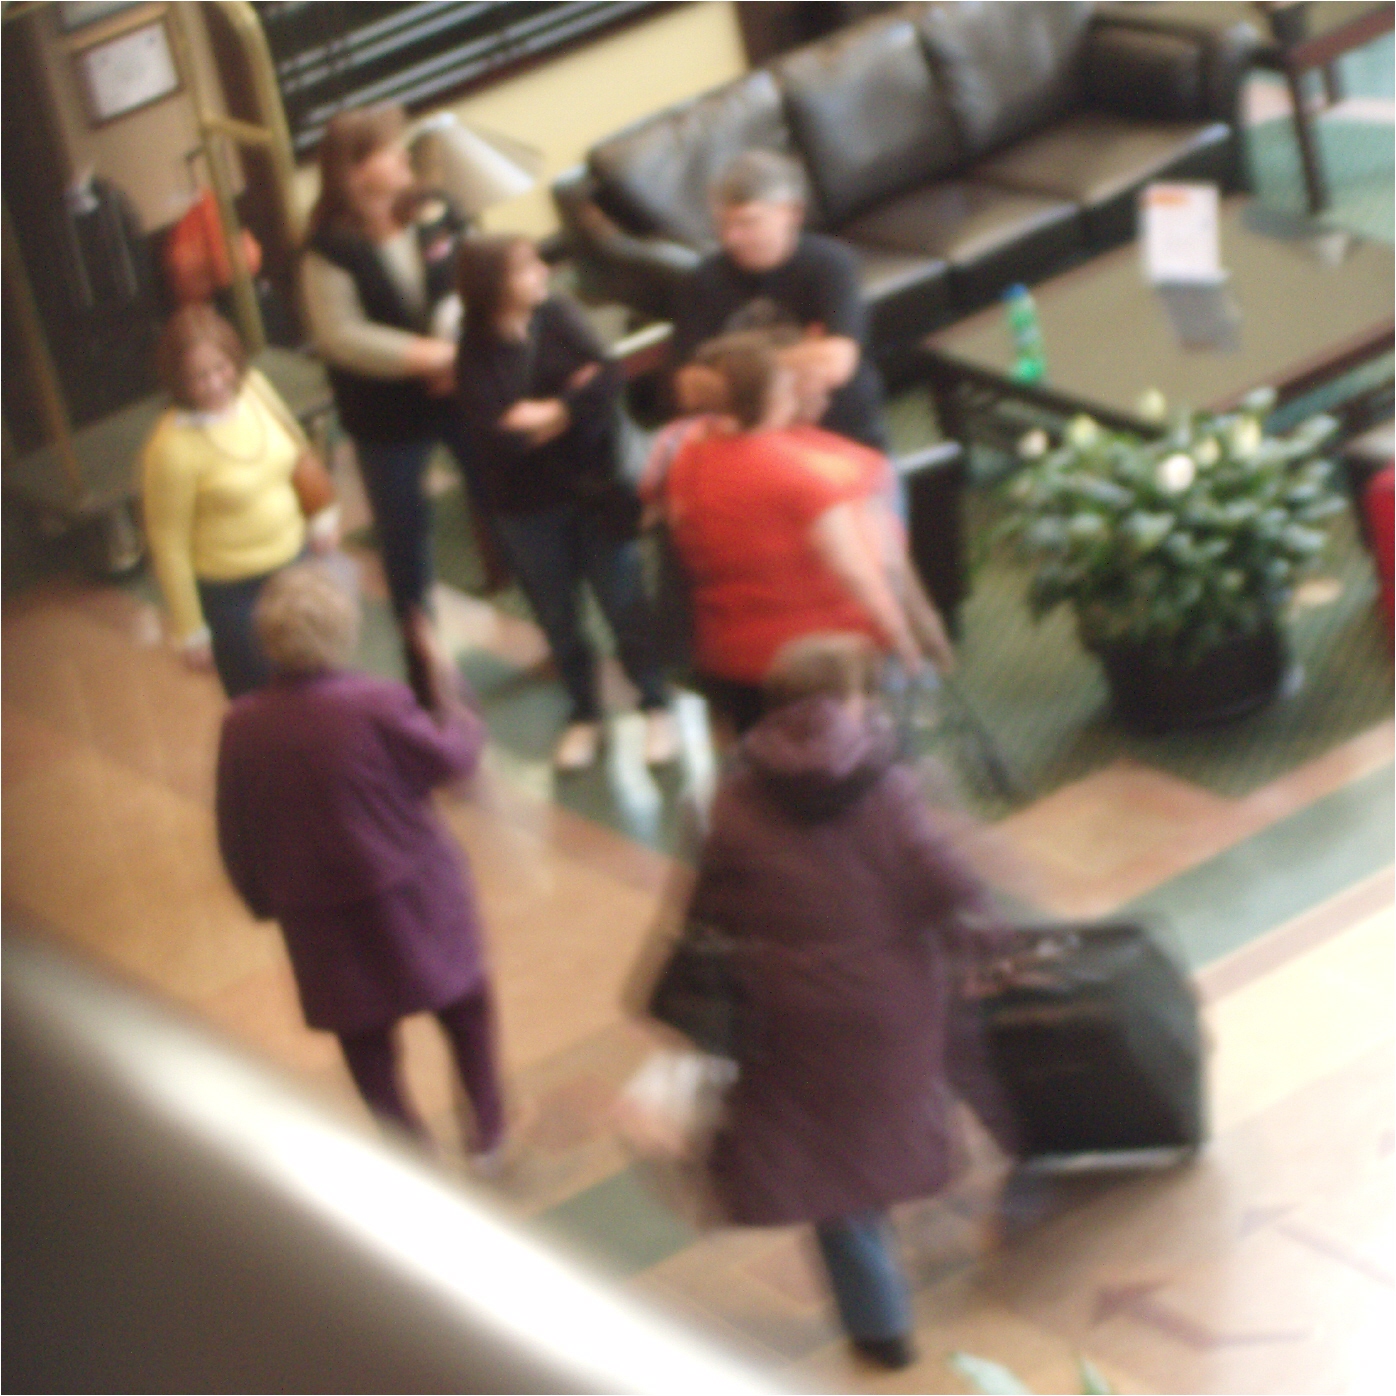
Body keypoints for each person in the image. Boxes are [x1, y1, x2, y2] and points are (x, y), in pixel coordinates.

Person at [687, 633, 1008, 1370]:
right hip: (890, 1006)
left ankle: (879, 1327)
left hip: (789, 1015)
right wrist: (989, 938)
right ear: (845, 705)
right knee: (890, 1121)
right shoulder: (890, 788)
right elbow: (945, 878)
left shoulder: (733, 802)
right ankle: (949, 1193)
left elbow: (711, 911)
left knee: (831, 1170)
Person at [215, 564, 504, 1160]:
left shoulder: (242, 725)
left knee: (366, 1047)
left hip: (319, 920)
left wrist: (263, 900)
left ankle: (409, 1155)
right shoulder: (376, 702)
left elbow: (235, 827)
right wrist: (446, 677)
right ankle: (487, 1140)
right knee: (465, 1010)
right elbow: (454, 757)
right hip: (414, 899)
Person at [657, 332, 952, 734]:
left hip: (733, 663)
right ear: (772, 398)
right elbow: (861, 571)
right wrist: (904, 637)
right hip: (823, 667)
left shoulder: (686, 459)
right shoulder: (803, 473)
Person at [454, 234, 674, 772]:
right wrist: (574, 402)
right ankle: (585, 714)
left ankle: (656, 704)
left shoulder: (557, 314)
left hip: (598, 491)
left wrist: (550, 413)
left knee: (625, 604)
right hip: (526, 508)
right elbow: (500, 437)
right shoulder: (473, 347)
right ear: (493, 286)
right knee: (558, 617)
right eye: (524, 267)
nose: (541, 272)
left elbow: (609, 378)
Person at [300, 103, 478, 635]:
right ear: (353, 171)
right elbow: (341, 336)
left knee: (507, 498)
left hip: (461, 393)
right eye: (386, 148)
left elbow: (471, 275)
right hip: (386, 418)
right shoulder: (328, 247)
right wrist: (433, 358)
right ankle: (421, 649)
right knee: (405, 538)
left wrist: (459, 347)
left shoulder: (433, 209)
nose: (402, 154)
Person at [141, 304, 338, 698]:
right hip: (235, 596)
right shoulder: (170, 448)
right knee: (264, 700)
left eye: (221, 368)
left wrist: (322, 515)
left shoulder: (255, 389)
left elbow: (296, 447)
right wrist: (191, 629)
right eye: (199, 377)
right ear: (177, 381)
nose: (215, 384)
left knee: (323, 685)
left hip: (297, 566)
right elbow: (168, 546)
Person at [670, 149, 887, 450]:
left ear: (790, 213)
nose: (731, 238)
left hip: (840, 424)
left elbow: (836, 364)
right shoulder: (704, 280)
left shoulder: (831, 264)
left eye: (747, 222)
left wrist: (732, 372)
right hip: (753, 440)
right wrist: (802, 357)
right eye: (723, 224)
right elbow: (688, 387)